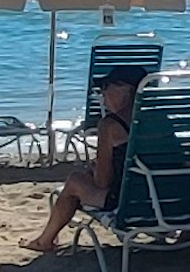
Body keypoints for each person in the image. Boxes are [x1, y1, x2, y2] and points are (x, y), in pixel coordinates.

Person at [25, 68, 141, 253]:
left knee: (75, 181)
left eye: (105, 87)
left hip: (128, 202)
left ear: (125, 90)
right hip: (167, 200)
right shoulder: (162, 120)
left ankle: (45, 241)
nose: (102, 94)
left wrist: (96, 170)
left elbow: (102, 182)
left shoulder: (111, 125)